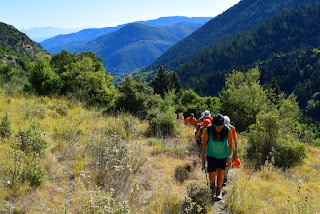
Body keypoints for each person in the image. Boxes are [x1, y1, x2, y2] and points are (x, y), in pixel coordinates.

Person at [202, 114, 233, 199]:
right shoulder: (209, 129)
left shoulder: (227, 130)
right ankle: (212, 188)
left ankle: (218, 191)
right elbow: (204, 143)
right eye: (216, 126)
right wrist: (203, 156)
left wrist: (229, 156)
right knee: (211, 173)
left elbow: (230, 144)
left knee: (221, 173)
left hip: (223, 155)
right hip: (211, 154)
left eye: (220, 126)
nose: (218, 128)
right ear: (213, 125)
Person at [223, 115, 238, 186]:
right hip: (221, 149)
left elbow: (235, 140)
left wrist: (236, 151)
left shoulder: (232, 129)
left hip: (229, 149)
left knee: (228, 164)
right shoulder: (219, 128)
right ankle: (224, 178)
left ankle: (225, 176)